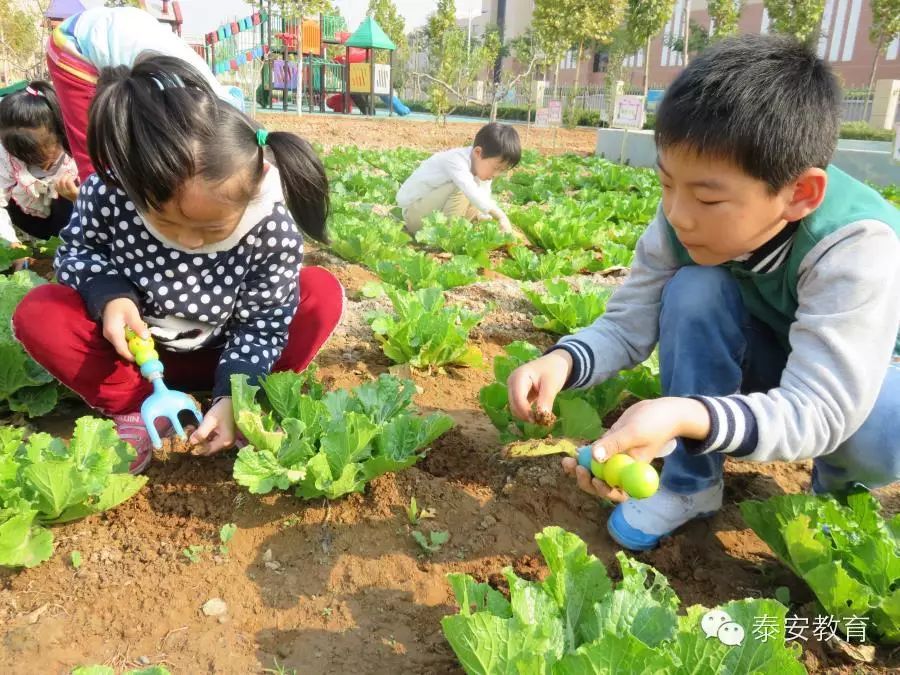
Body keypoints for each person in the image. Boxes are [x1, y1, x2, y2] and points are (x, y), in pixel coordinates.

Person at [506, 34, 900, 551]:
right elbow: (628, 322)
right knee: (694, 289)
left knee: (882, 423)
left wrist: (688, 414)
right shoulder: (681, 221)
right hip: (767, 355)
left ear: (800, 194)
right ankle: (692, 485)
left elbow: (822, 409)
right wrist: (562, 361)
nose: (679, 214)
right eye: (668, 184)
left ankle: (835, 501)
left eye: (709, 198)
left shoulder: (856, 245)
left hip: (858, 384)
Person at [13, 54, 343, 474]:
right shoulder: (110, 191)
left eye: (211, 228)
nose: (189, 241)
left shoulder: (270, 226)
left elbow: (264, 325)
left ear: (251, 193)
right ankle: (134, 407)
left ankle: (236, 404)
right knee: (42, 312)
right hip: (132, 358)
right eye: (166, 221)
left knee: (320, 294)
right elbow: (78, 253)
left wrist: (233, 396)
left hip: (228, 353)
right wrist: (110, 296)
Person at [46, 5, 243, 182]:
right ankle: (95, 209)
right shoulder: (175, 103)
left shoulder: (227, 110)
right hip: (72, 45)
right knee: (100, 158)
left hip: (126, 32)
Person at [396, 122, 520, 234]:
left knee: (480, 206)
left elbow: (484, 198)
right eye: (496, 168)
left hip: (436, 211)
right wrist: (501, 216)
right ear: (478, 152)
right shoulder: (455, 160)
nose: (496, 174)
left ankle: (454, 231)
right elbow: (470, 191)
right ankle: (448, 236)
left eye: (502, 171)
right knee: (464, 189)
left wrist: (489, 218)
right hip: (414, 215)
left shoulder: (480, 169)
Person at [0, 82, 79, 246]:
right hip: (31, 216)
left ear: (59, 135)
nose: (31, 162)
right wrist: (11, 242)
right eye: (21, 156)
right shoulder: (5, 153)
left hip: (72, 212)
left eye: (38, 157)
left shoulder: (76, 151)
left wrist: (77, 198)